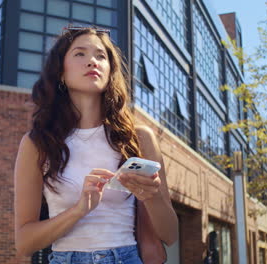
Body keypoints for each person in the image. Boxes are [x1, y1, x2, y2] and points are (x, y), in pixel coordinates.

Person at [14, 26, 178, 264]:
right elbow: (24, 243)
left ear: (110, 71)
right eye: (80, 54)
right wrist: (79, 209)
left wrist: (151, 196)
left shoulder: (138, 138)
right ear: (60, 72)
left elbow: (170, 234)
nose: (92, 61)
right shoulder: (37, 143)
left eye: (101, 56)